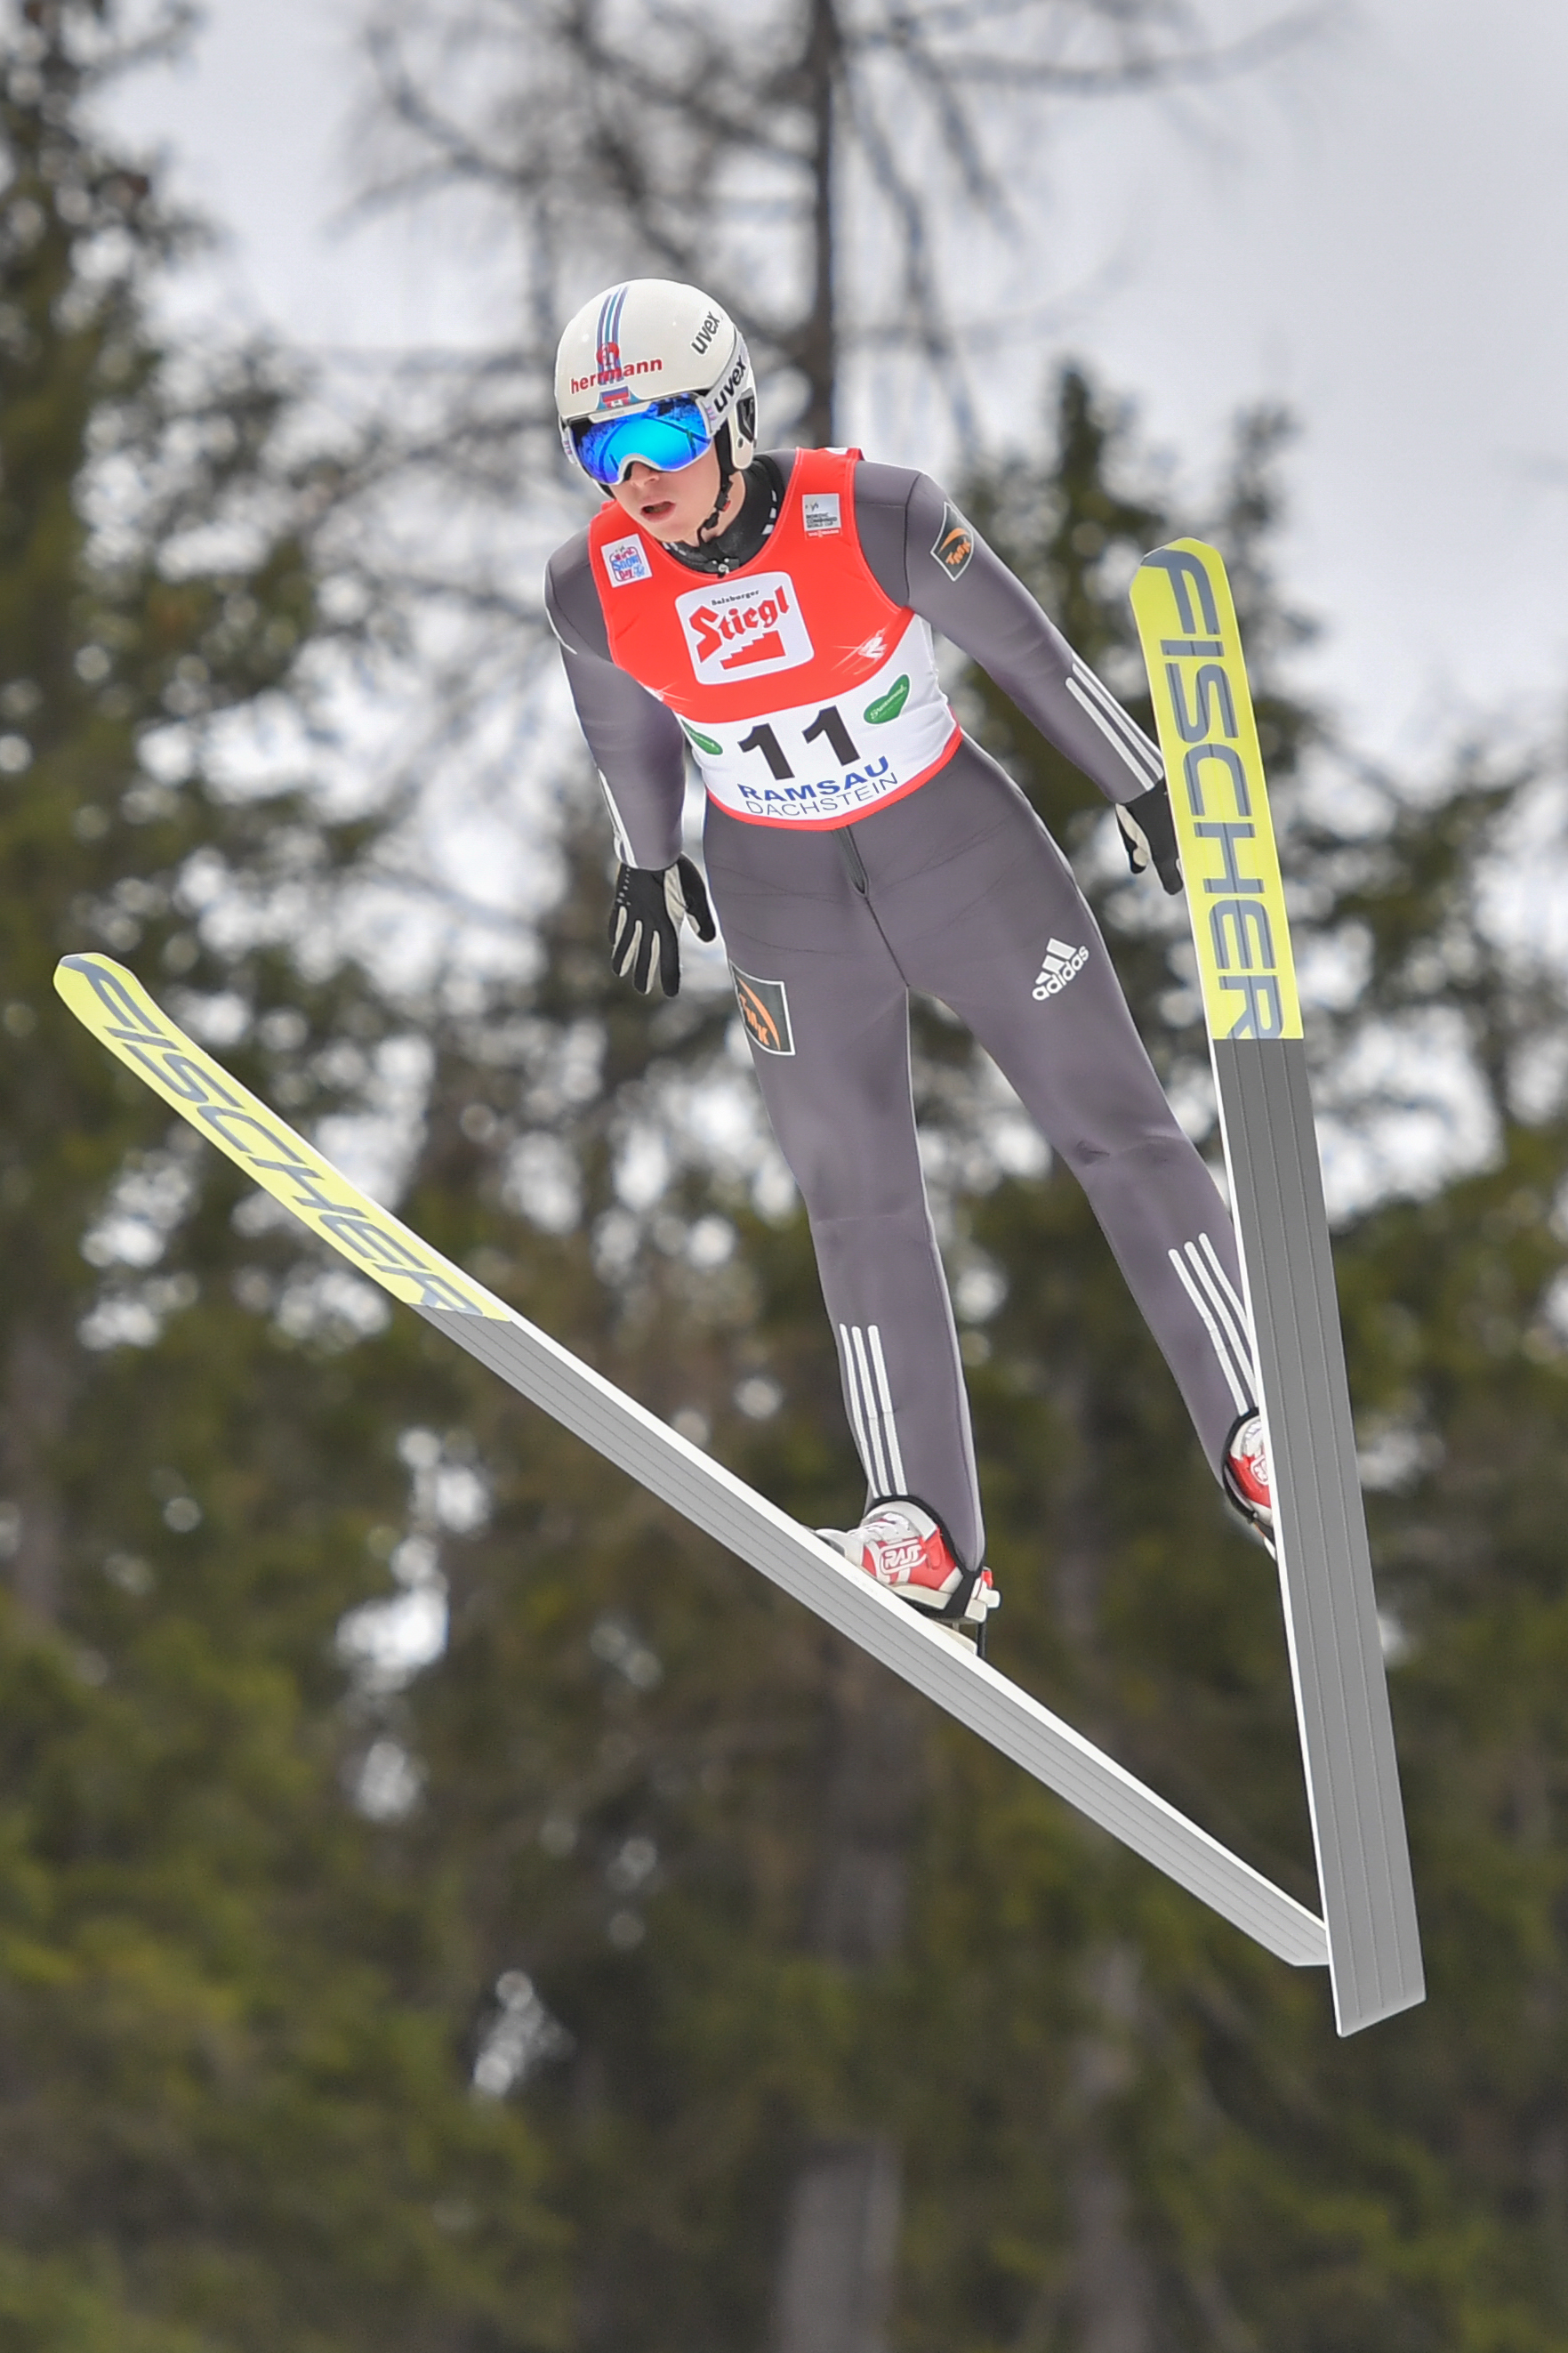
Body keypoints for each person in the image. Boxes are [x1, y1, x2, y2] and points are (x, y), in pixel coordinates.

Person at [544, 278, 1273, 1645]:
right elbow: (623, 730)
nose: (633, 481)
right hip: (781, 901)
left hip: (958, 855)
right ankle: (923, 1530)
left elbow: (1027, 653)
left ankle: (1253, 1419)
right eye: (599, 451)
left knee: (1114, 1125)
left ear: (730, 415)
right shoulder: (595, 583)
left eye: (658, 440)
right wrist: (648, 855)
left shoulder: (870, 513)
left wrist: (1139, 779)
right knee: (856, 1197)